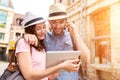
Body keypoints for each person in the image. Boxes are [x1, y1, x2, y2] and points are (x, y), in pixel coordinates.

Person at [24, 3, 90, 80]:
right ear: (49, 22)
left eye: (61, 22)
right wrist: (26, 35)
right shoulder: (44, 36)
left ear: (66, 21)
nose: (57, 26)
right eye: (54, 22)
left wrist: (75, 33)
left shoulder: (73, 35)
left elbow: (86, 58)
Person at [15, 12, 80, 80]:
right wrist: (60, 66)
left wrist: (61, 69)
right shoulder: (23, 42)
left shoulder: (41, 46)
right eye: (38, 29)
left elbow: (46, 75)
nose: (43, 31)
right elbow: (28, 76)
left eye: (43, 27)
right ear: (30, 30)